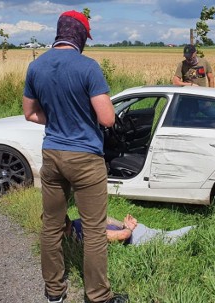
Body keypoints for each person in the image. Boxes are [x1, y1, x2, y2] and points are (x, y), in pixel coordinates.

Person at [22, 10, 127, 303]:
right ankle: (98, 296)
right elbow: (106, 118)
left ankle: (54, 291)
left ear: (59, 33)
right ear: (80, 35)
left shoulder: (36, 66)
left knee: (51, 224)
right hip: (85, 158)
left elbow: (30, 113)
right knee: (94, 229)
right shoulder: (88, 67)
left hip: (52, 154)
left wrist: (57, 119)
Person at [65, 214, 195, 246]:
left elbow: (123, 235)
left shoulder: (83, 233)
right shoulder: (80, 220)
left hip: (137, 237)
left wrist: (128, 226)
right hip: (136, 233)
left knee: (173, 237)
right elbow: (106, 219)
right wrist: (125, 225)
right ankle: (196, 229)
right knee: (172, 235)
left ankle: (197, 229)